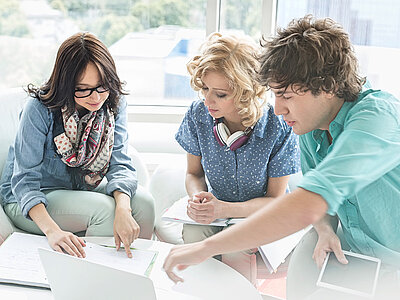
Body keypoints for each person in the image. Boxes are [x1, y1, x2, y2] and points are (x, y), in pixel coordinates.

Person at [163, 16, 400, 299]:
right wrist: (324, 228)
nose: (277, 109)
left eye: (286, 96)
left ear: (327, 86)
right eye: (275, 95)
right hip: (356, 258)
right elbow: (321, 203)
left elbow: (306, 202)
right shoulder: (311, 128)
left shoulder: (376, 119)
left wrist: (204, 248)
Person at [0, 32, 155, 258]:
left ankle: (134, 273)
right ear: (65, 84)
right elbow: (24, 182)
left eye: (102, 86)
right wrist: (53, 232)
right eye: (83, 88)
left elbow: (119, 163)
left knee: (144, 203)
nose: (95, 97)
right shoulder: (40, 109)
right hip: (29, 199)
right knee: (103, 211)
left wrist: (124, 208)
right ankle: (94, 287)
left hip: (81, 188)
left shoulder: (113, 103)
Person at [174, 32, 300, 282]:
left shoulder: (278, 126)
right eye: (205, 89)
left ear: (245, 92)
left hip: (263, 215)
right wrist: (197, 198)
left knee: (237, 244)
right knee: (192, 233)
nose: (208, 100)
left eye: (220, 94)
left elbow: (275, 200)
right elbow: (193, 174)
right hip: (218, 211)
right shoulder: (198, 114)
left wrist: (225, 208)